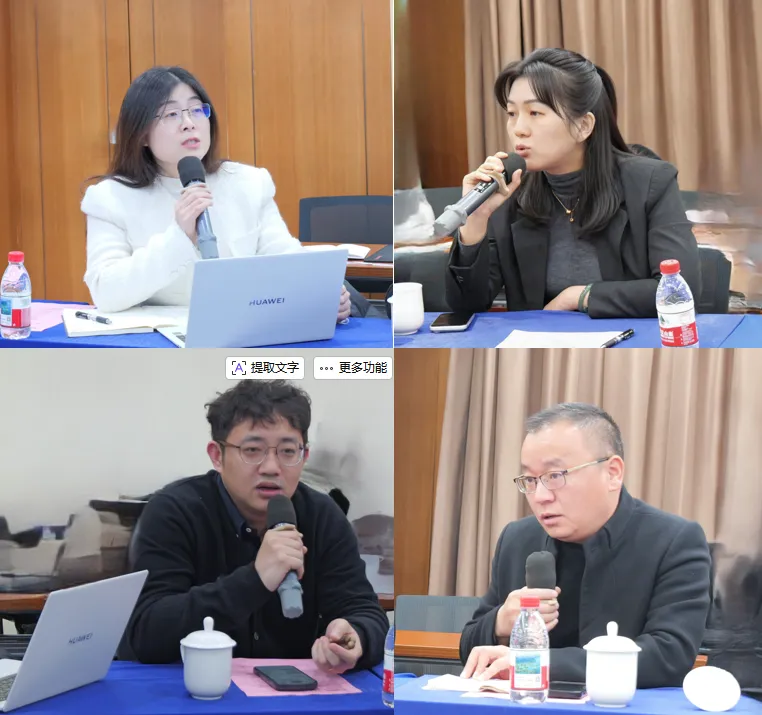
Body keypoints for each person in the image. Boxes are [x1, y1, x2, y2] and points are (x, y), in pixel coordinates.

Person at [118, 379, 388, 671]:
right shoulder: (173, 512)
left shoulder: (324, 517)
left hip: (292, 690)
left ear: (304, 457)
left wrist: (355, 637)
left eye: (287, 451)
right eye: (252, 450)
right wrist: (256, 579)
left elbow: (365, 611)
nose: (271, 467)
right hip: (193, 687)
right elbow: (146, 632)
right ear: (217, 456)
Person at [459, 403, 711, 689]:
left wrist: (538, 663)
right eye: (530, 479)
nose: (540, 496)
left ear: (612, 473)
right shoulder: (517, 539)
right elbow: (471, 648)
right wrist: (500, 623)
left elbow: (669, 655)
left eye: (555, 476)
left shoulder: (673, 540)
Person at [81, 66, 362, 319]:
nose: (189, 123)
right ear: (142, 134)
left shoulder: (248, 183)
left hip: (247, 329)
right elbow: (105, 292)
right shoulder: (110, 199)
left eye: (196, 110)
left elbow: (284, 259)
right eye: (171, 114)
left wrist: (319, 293)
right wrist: (178, 238)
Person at [445, 48, 700, 318]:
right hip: (540, 341)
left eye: (535, 113)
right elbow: (466, 307)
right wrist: (475, 221)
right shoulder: (509, 191)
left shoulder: (650, 183)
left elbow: (679, 290)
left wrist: (579, 296)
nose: (518, 129)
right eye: (511, 113)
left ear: (583, 126)